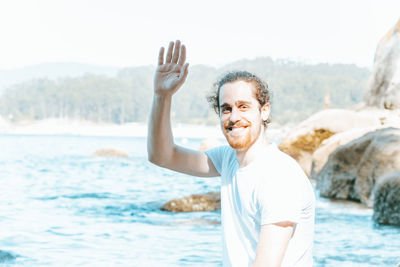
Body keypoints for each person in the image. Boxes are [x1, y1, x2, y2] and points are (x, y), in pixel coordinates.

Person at [147, 40, 315, 267]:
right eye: (226, 108)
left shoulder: (280, 176)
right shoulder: (227, 160)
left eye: (243, 106)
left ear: (264, 111)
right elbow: (162, 156)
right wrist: (162, 96)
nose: (234, 117)